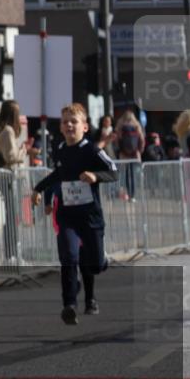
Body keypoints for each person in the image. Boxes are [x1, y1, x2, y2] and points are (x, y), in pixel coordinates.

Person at [32, 103, 117, 325]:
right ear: (60, 127)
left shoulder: (92, 150)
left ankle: (102, 260)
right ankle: (69, 305)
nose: (69, 125)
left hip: (90, 217)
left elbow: (114, 172)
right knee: (69, 258)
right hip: (68, 216)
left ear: (85, 127)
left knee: (95, 264)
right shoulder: (60, 149)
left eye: (74, 121)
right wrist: (39, 189)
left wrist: (96, 176)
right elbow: (58, 174)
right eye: (65, 122)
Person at [0, 100, 29, 262]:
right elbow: (11, 157)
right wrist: (24, 151)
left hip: (2, 177)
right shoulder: (7, 131)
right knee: (13, 217)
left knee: (11, 216)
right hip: (9, 177)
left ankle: (11, 254)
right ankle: (12, 254)